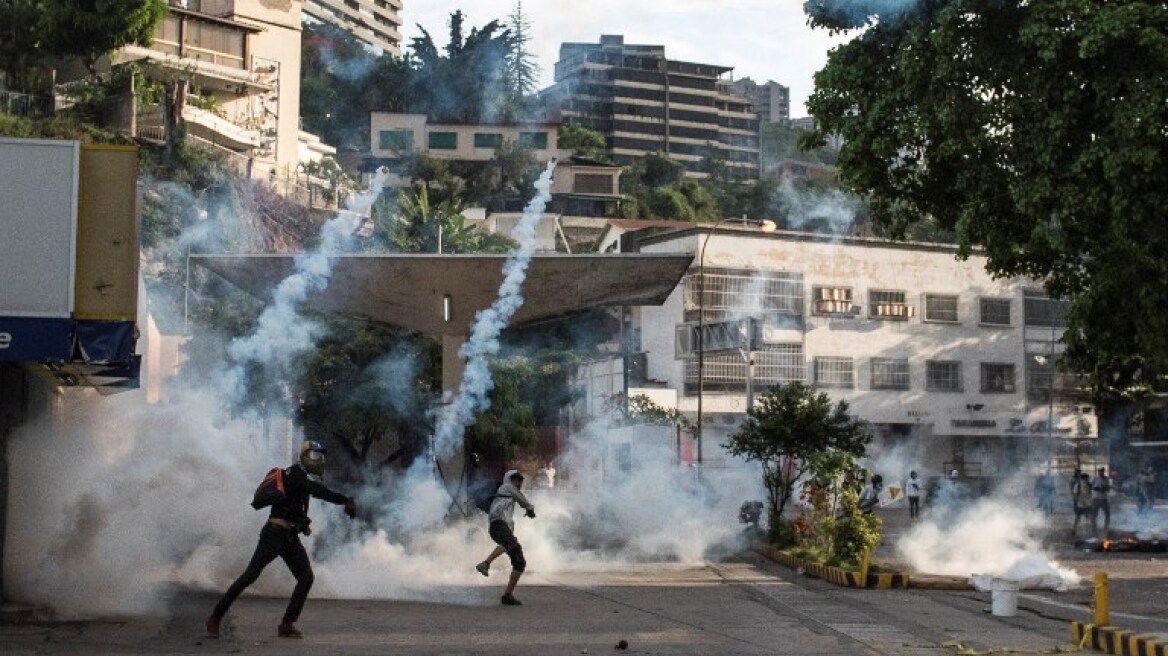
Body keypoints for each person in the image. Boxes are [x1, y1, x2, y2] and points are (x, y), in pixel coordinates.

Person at [205, 440, 357, 639]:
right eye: (313, 455)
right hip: (274, 534)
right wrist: (344, 499)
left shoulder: (297, 478)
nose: (317, 460)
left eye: (320, 456)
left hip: (289, 537)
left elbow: (291, 506)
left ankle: (287, 623)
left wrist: (303, 524)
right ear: (303, 457)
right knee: (249, 576)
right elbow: (317, 490)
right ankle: (215, 617)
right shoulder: (295, 473)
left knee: (306, 578)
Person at [475, 469, 536, 606]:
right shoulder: (507, 487)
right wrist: (530, 509)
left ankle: (507, 595)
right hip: (498, 525)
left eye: (520, 479)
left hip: (503, 528)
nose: (519, 482)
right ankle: (485, 564)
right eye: (516, 478)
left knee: (519, 562)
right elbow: (523, 500)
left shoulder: (507, 495)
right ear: (509, 479)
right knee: (510, 542)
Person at [1089, 466, 1111, 535]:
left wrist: (1105, 488)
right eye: (1100, 471)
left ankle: (1106, 528)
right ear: (1098, 471)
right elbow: (1089, 486)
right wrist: (1095, 488)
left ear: (1104, 471)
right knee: (1094, 514)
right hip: (1096, 498)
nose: (1101, 472)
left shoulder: (1106, 478)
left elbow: (1108, 488)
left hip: (1104, 498)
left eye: (1102, 471)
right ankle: (1093, 529)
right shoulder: (1094, 477)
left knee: (1107, 514)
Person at [1070, 471, 1092, 538]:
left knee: (1087, 517)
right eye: (1087, 478)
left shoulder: (1089, 484)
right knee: (1079, 517)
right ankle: (1074, 530)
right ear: (1085, 478)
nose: (1087, 480)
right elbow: (1074, 494)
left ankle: (1089, 531)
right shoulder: (1078, 485)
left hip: (1087, 504)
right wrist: (1077, 502)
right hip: (1081, 504)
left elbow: (1091, 493)